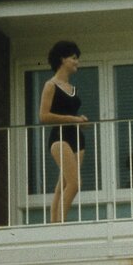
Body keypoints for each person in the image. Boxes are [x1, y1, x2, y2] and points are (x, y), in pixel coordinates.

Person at [39, 40, 88, 222]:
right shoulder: (51, 85)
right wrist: (74, 119)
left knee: (63, 185)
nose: (77, 62)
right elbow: (44, 116)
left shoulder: (72, 89)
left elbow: (69, 112)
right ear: (62, 59)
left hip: (77, 139)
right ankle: (60, 225)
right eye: (74, 58)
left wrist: (79, 119)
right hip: (60, 138)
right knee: (75, 184)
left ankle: (54, 224)